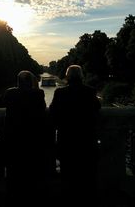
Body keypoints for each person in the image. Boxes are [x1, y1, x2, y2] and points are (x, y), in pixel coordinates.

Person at [49, 64, 101, 204]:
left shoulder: (60, 93)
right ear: (81, 76)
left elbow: (52, 114)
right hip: (86, 141)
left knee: (67, 175)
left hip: (67, 140)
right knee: (86, 175)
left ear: (67, 77)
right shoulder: (90, 91)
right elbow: (97, 108)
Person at [3, 70, 47, 205]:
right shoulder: (38, 93)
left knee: (14, 170)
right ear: (31, 81)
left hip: (14, 138)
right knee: (31, 171)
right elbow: (43, 109)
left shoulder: (9, 93)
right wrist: (36, 87)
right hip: (32, 139)